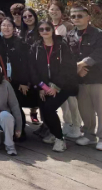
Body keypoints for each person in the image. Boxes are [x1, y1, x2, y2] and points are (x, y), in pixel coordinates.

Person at [66, 6, 102, 151]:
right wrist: (77, 70)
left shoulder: (98, 34)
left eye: (80, 16)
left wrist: (81, 64)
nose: (76, 18)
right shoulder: (70, 35)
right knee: (85, 110)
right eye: (73, 16)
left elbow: (100, 52)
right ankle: (89, 135)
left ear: (88, 17)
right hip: (81, 79)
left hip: (97, 77)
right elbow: (67, 56)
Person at [29, 20, 78, 152]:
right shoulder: (35, 47)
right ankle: (53, 133)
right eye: (41, 29)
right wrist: (42, 87)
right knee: (44, 109)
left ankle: (59, 139)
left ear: (52, 30)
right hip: (44, 86)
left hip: (64, 85)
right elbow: (33, 70)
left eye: (47, 29)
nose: (45, 31)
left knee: (49, 107)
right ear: (38, 32)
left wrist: (56, 86)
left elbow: (69, 68)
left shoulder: (62, 46)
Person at [0, 17, 37, 142]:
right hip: (2, 80)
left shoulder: (21, 42)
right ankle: (8, 131)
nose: (6, 28)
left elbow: (27, 64)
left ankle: (20, 131)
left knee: (16, 106)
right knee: (5, 106)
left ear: (14, 28)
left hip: (18, 81)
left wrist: (24, 82)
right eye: (3, 25)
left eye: (9, 25)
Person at [48, 1, 81, 140]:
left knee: (71, 98)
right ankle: (67, 123)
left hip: (66, 66)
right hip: (53, 66)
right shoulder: (48, 25)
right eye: (51, 9)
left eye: (56, 9)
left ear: (61, 11)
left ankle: (77, 125)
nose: (54, 11)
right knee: (62, 100)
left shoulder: (68, 26)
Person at [20, 7, 41, 124]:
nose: (27, 18)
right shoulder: (21, 32)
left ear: (35, 16)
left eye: (30, 16)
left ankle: (34, 113)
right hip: (25, 65)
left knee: (38, 91)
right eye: (25, 17)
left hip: (38, 65)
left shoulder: (40, 30)